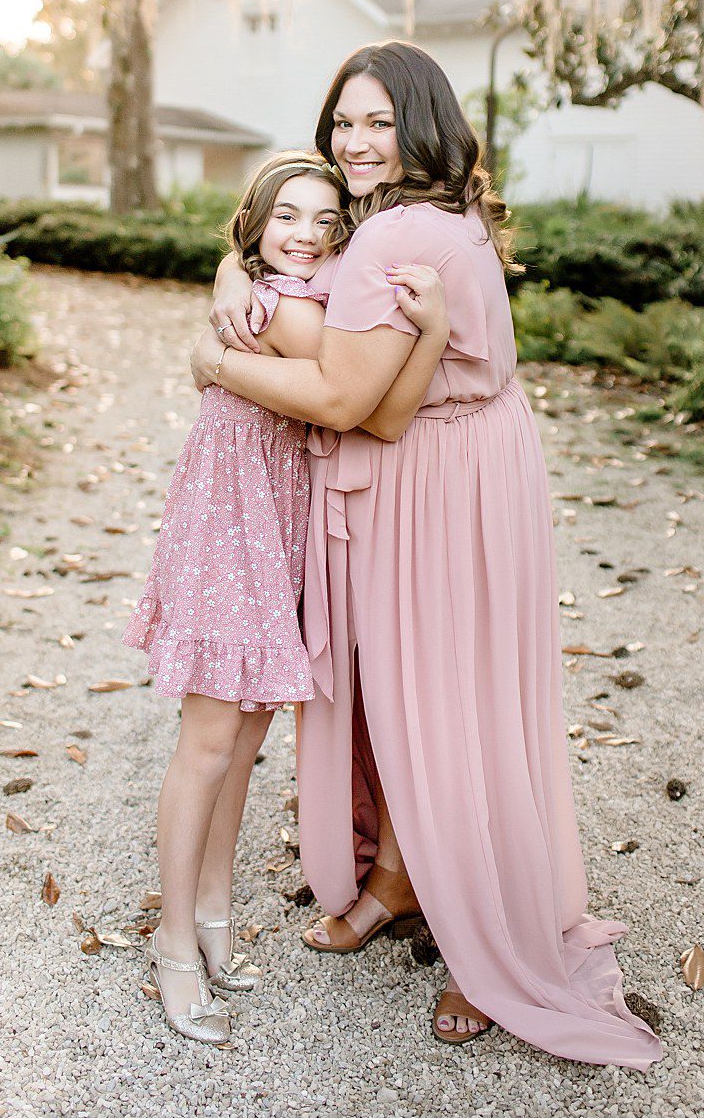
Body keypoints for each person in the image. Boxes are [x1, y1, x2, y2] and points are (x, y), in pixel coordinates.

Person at [192, 42, 664, 1071]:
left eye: (376, 123)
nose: (355, 144)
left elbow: (339, 400)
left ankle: (488, 939)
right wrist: (237, 263)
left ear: (420, 124)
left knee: (449, 707)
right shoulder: (423, 214)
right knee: (431, 696)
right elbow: (287, 240)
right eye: (342, 124)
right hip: (469, 458)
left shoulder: (393, 236)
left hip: (436, 476)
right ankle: (403, 874)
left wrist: (216, 358)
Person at [124, 148, 449, 1045]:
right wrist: (427, 334)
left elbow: (293, 293)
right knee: (209, 738)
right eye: (286, 217)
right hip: (230, 522)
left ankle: (217, 913)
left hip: (281, 517)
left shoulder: (300, 288)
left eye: (324, 220)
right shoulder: (278, 309)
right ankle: (174, 941)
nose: (306, 235)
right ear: (255, 225)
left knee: (252, 730)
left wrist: (230, 273)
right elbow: (373, 409)